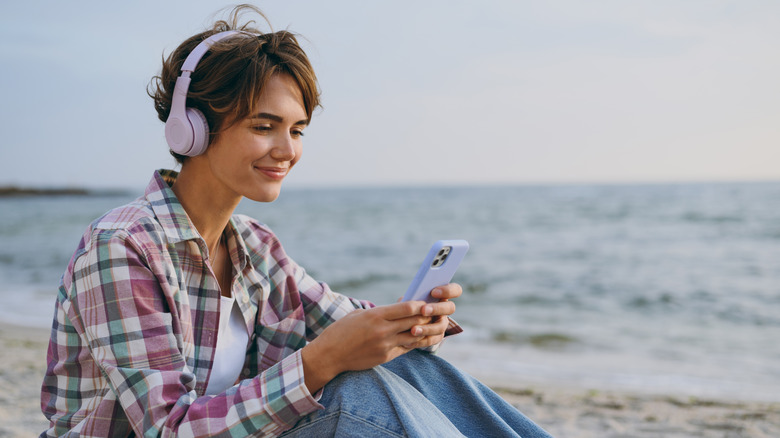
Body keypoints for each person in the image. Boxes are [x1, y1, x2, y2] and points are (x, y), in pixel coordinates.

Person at [40, 5, 552, 437]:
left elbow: (347, 320)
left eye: (298, 130)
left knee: (400, 363)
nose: (287, 151)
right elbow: (167, 429)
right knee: (352, 388)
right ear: (191, 128)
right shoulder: (122, 245)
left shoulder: (256, 250)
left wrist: (414, 323)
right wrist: (319, 362)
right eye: (265, 126)